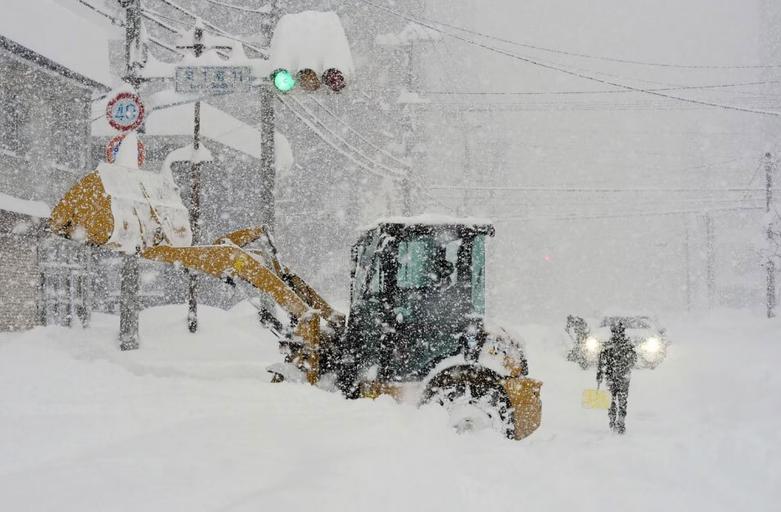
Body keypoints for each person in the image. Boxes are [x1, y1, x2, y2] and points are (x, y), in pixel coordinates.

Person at [596, 321, 637, 434]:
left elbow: (601, 362)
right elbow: (633, 359)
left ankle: (613, 420)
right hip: (623, 377)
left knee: (611, 400)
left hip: (612, 377)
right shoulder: (627, 344)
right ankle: (620, 420)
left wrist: (600, 374)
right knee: (622, 401)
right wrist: (625, 366)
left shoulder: (609, 345)